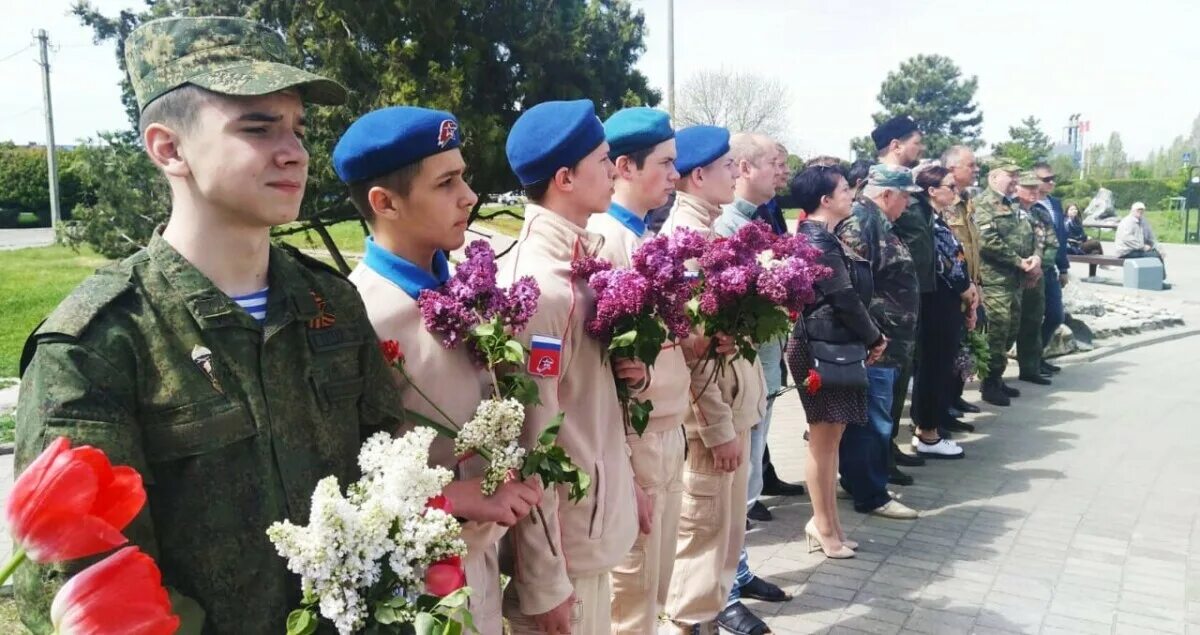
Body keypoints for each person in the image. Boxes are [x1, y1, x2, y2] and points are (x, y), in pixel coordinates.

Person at [13, 16, 406, 633]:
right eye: (257, 128)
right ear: (169, 149)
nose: (295, 152)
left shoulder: (330, 303)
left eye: (297, 129)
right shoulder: (98, 345)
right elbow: (82, 592)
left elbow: (389, 481)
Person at [333, 106, 544, 634]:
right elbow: (340, 485)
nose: (469, 196)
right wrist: (453, 498)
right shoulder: (362, 315)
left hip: (486, 560)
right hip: (420, 587)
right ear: (385, 203)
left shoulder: (465, 291)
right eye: (447, 182)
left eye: (464, 176)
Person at [497, 99, 647, 635]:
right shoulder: (543, 289)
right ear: (564, 177)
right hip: (567, 553)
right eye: (604, 160)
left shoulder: (582, 264)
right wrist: (543, 582)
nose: (614, 170)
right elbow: (531, 443)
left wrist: (631, 489)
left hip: (593, 525)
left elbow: (596, 403)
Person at [660, 125, 768, 635]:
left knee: (719, 553)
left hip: (730, 412)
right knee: (700, 558)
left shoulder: (707, 231)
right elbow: (694, 352)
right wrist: (718, 427)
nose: (735, 174)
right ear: (699, 176)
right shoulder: (686, 243)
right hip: (710, 425)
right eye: (727, 167)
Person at [584, 106, 687, 634]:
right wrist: (625, 474)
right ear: (624, 165)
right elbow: (607, 376)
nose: (675, 175)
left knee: (654, 587)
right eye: (665, 163)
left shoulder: (643, 239)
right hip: (636, 442)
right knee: (632, 595)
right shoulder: (607, 243)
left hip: (666, 430)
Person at [711, 133, 793, 635]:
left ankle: (737, 574)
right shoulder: (726, 226)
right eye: (774, 164)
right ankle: (723, 592)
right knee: (732, 492)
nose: (782, 172)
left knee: (750, 485)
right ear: (743, 166)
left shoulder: (760, 220)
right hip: (737, 377)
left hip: (760, 371)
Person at [788, 165, 887, 560]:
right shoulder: (815, 242)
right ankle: (823, 525)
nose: (852, 194)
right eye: (845, 189)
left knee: (832, 440)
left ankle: (830, 524)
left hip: (836, 344)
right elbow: (843, 297)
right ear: (825, 200)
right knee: (823, 441)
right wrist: (875, 336)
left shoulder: (824, 238)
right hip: (820, 347)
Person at [834, 163, 928, 519]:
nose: (907, 205)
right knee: (873, 419)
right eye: (905, 197)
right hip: (875, 343)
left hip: (885, 340)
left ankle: (858, 482)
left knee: (871, 417)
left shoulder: (878, 221)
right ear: (886, 194)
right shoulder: (861, 223)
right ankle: (871, 493)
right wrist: (871, 334)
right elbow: (849, 285)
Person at [873, 115, 933, 484]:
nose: (920, 149)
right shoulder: (878, 187)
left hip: (910, 299)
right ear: (895, 145)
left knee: (899, 380)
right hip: (888, 305)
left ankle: (888, 446)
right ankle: (878, 456)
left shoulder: (904, 186)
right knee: (887, 385)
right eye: (915, 142)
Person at [910, 166, 973, 456]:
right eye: (949, 185)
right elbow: (945, 263)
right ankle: (928, 434)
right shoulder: (927, 221)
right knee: (934, 366)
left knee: (938, 365)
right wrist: (965, 289)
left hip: (947, 300)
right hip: (937, 302)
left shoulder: (936, 218)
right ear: (932, 190)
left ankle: (929, 428)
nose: (955, 190)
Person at [758, 143, 808, 500]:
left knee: (768, 400)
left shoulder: (771, 205)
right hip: (755, 330)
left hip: (772, 324)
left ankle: (763, 473)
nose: (784, 171)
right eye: (776, 164)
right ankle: (753, 488)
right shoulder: (740, 211)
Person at [976, 162, 1036, 406]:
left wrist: (1032, 260)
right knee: (997, 333)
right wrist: (1019, 261)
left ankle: (997, 377)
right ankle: (989, 383)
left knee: (1010, 331)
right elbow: (986, 240)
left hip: (1014, 281)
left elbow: (1026, 235)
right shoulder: (983, 204)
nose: (1014, 181)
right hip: (994, 281)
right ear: (993, 177)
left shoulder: (1011, 204)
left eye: (1016, 176)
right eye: (1009, 176)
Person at [940, 146, 984, 417]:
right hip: (952, 289)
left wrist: (977, 283)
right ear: (952, 169)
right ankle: (941, 408)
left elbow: (972, 246)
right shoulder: (945, 202)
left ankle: (954, 398)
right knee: (947, 350)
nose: (976, 169)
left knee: (964, 345)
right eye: (971, 165)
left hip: (971, 286)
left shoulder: (967, 200)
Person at [1013, 172, 1053, 386]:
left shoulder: (1041, 213)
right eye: (1029, 188)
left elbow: (1052, 243)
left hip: (1036, 277)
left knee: (1033, 322)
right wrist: (1023, 266)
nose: (1033, 193)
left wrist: (1038, 266)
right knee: (1008, 326)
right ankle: (993, 378)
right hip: (1013, 275)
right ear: (1017, 188)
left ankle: (1030, 368)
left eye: (1036, 189)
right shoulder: (1008, 211)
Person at [1033, 162, 1068, 376]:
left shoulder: (1054, 203)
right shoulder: (1025, 202)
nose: (1052, 182)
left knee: (1056, 315)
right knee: (1033, 317)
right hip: (1033, 268)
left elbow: (1060, 238)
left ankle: (1038, 356)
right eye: (1046, 179)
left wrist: (1063, 268)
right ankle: (1032, 362)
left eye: (1053, 178)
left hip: (1051, 268)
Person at [1115, 202, 1167, 278]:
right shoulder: (1127, 221)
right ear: (1132, 211)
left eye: (1142, 210)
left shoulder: (1144, 222)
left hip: (1136, 250)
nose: (1140, 212)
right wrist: (1142, 247)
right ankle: (1160, 280)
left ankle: (1158, 279)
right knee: (1155, 256)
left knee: (1157, 253)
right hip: (1126, 251)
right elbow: (1126, 238)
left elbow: (1151, 238)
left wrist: (1159, 248)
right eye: (1138, 210)